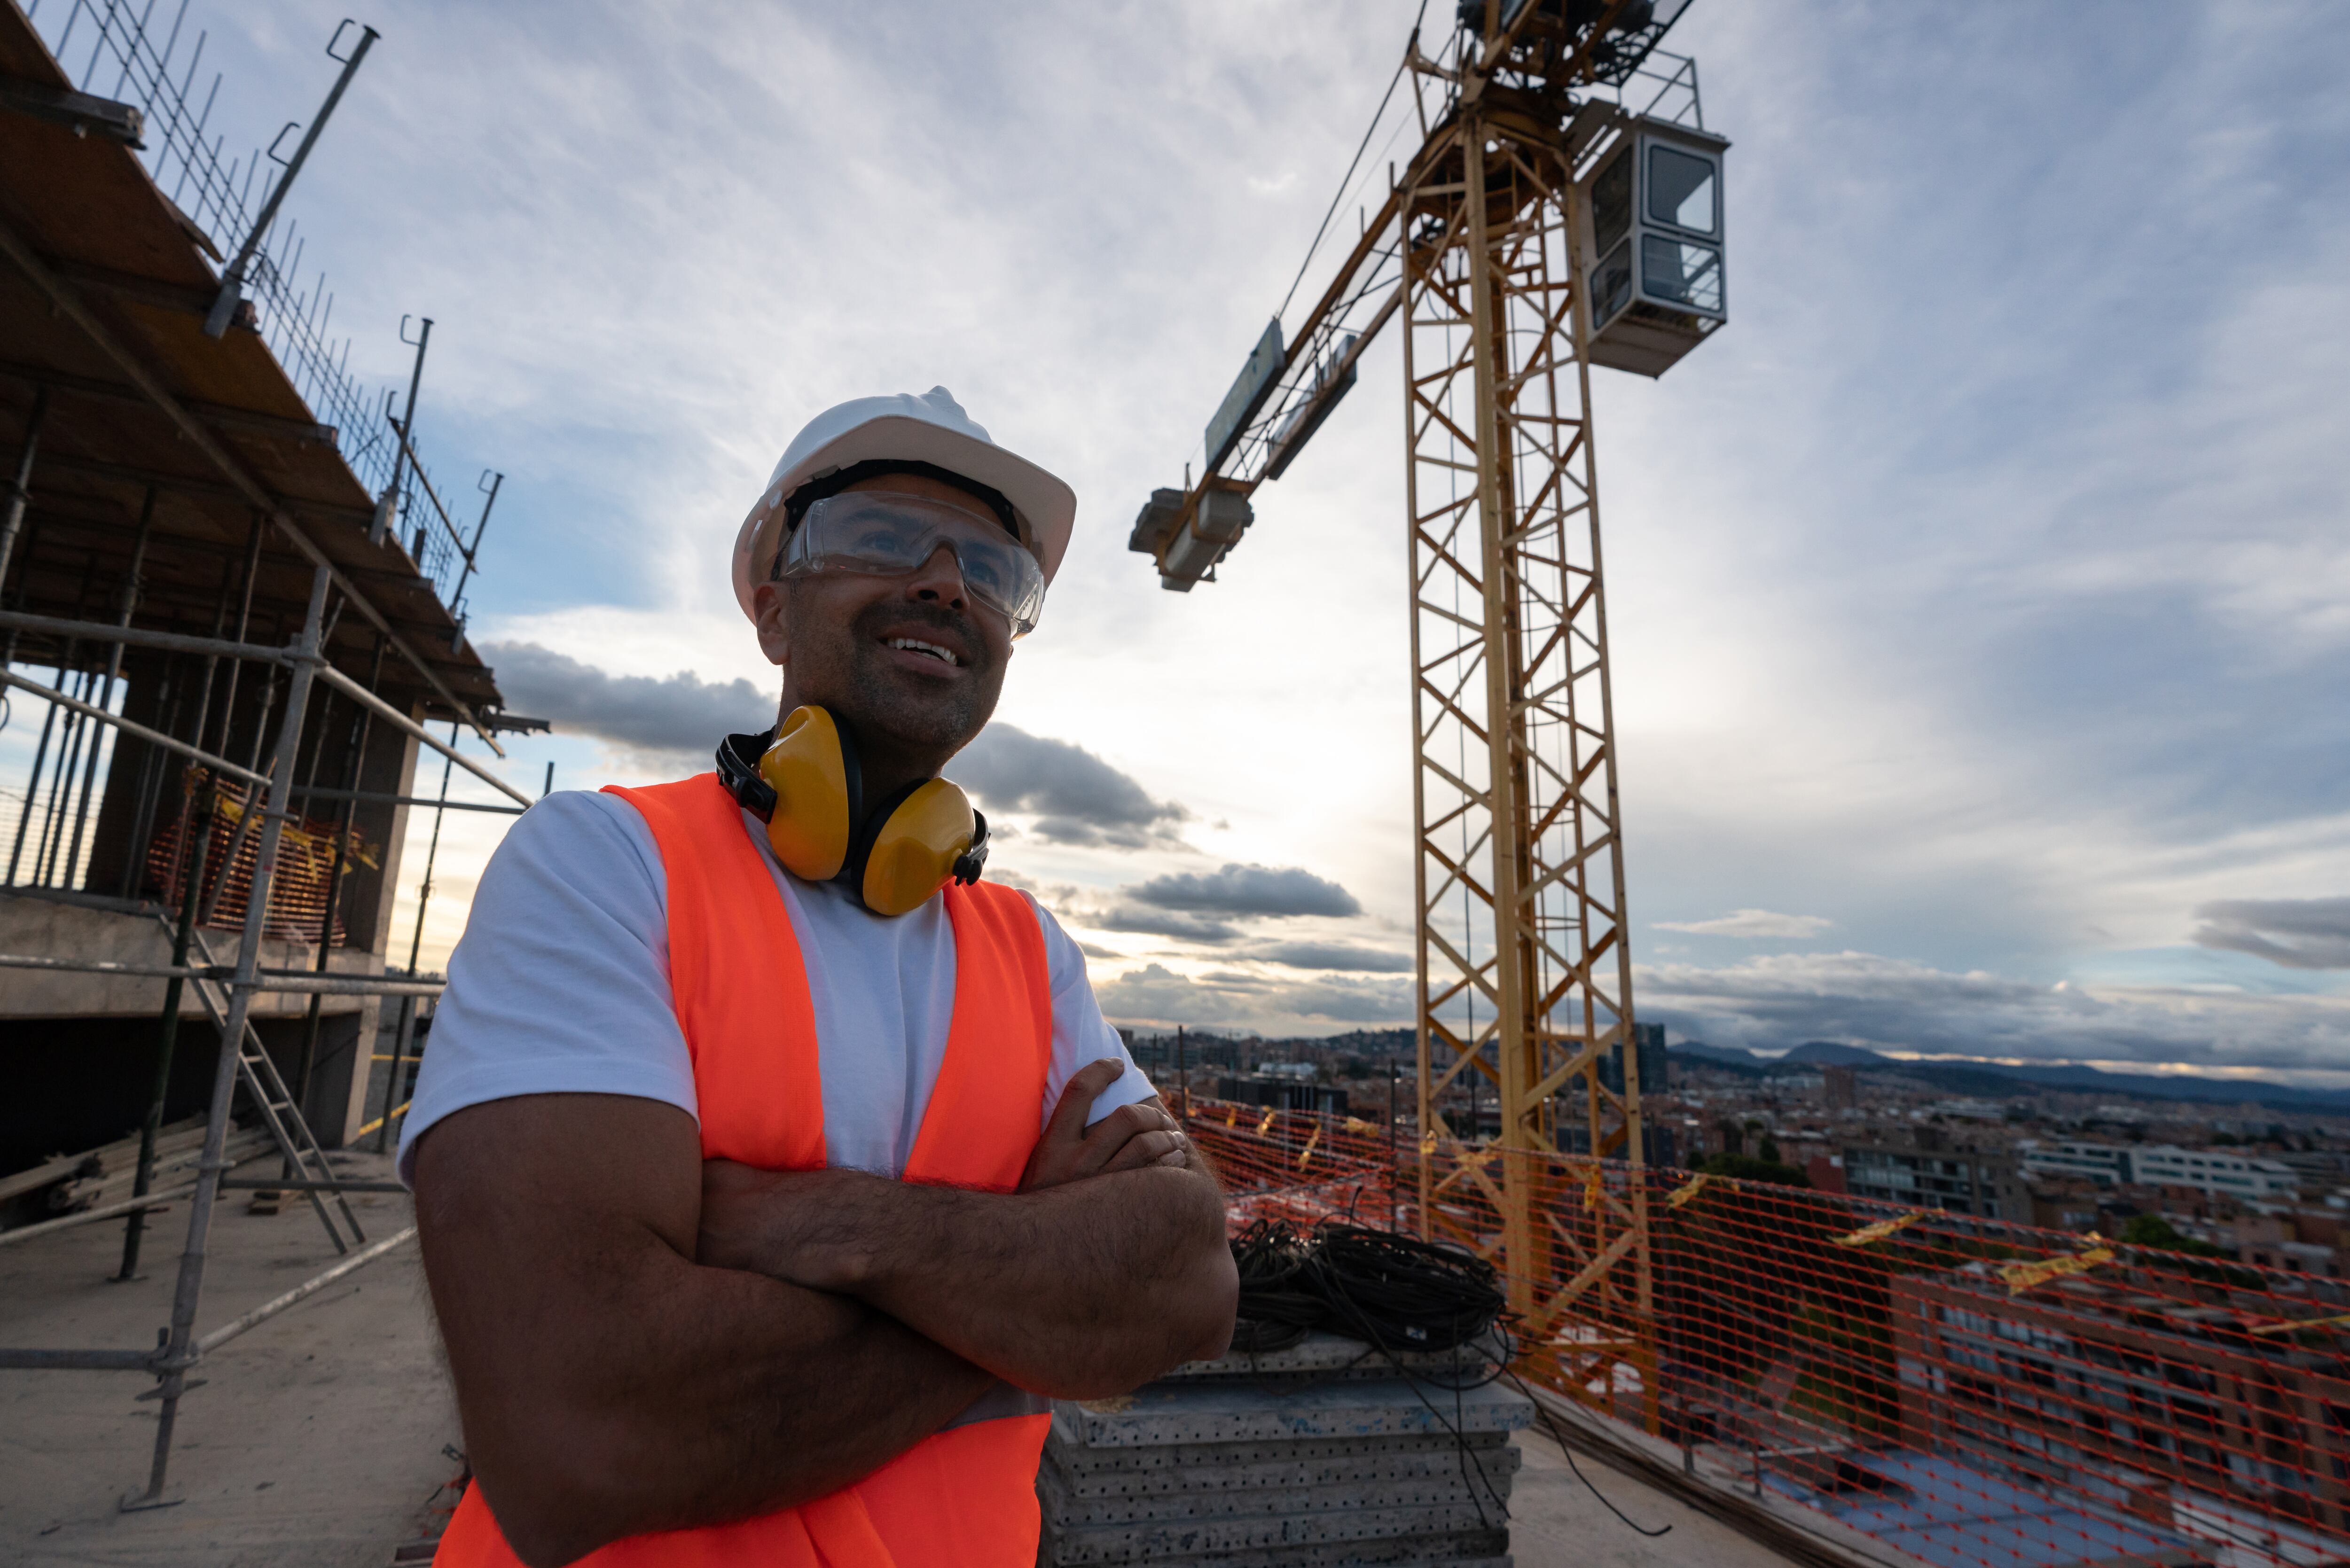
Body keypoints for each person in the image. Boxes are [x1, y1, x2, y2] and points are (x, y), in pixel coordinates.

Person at [404, 388, 1238, 1568]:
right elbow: (576, 1433)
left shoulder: (1025, 948)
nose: (949, 583)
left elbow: (1187, 1290)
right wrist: (1034, 1301)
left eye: (993, 567)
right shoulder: (603, 868)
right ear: (769, 604)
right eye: (886, 538)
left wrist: (825, 1226)